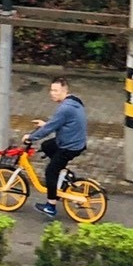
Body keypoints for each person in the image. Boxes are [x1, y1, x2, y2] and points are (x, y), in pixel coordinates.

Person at [22, 76, 87, 219]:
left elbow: (51, 128)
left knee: (50, 171)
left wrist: (30, 137)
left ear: (64, 90)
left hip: (70, 146)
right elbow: (61, 123)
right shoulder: (75, 100)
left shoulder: (64, 108)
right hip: (75, 140)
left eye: (56, 90)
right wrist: (46, 124)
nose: (52, 93)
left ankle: (50, 206)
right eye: (51, 90)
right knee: (46, 146)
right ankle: (63, 175)